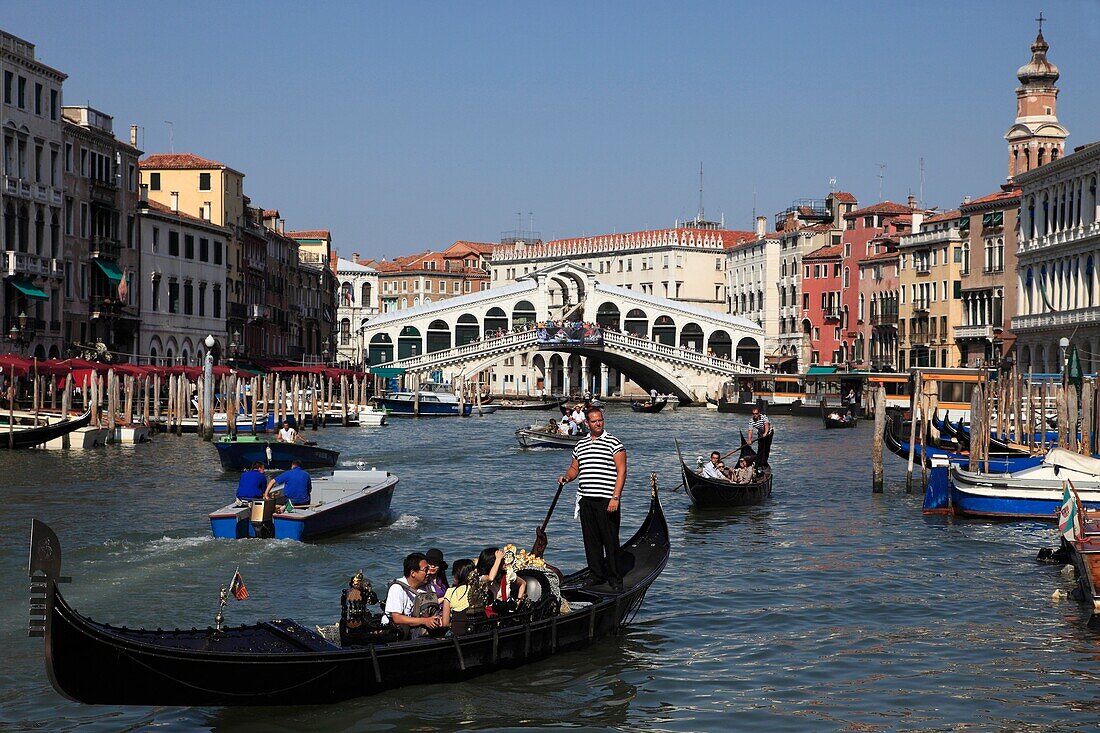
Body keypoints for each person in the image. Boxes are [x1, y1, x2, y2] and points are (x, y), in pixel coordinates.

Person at [559, 407, 627, 592]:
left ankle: (615, 579)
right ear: (587, 423)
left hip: (607, 499)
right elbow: (574, 469)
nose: (598, 423)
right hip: (586, 498)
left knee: (610, 540)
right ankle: (596, 576)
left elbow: (621, 471)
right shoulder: (580, 445)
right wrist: (566, 477)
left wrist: (615, 497)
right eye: (594, 421)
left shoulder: (614, 443)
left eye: (601, 420)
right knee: (591, 541)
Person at [382, 553, 442, 634]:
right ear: (413, 573)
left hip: (420, 629)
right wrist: (425, 621)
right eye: (425, 570)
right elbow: (397, 618)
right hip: (397, 631)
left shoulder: (428, 586)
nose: (429, 572)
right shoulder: (397, 588)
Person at [441, 558, 476, 629]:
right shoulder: (476, 589)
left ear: (457, 575)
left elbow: (445, 623)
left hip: (457, 631)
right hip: (475, 628)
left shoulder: (450, 592)